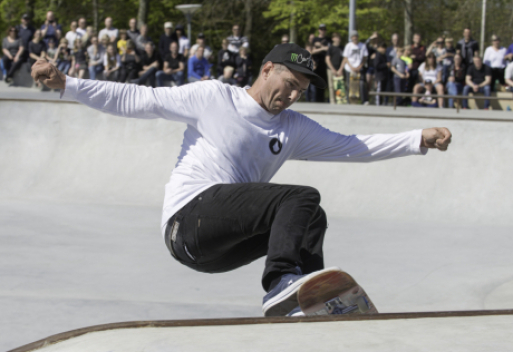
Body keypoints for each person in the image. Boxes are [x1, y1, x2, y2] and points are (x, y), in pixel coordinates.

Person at [31, 42, 452, 318]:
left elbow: (353, 146)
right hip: (188, 222)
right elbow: (139, 99)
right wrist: (68, 83)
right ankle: (279, 286)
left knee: (313, 215)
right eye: (287, 84)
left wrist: (417, 138)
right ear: (266, 70)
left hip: (217, 253)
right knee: (300, 197)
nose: (290, 96)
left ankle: (310, 303)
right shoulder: (214, 97)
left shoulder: (293, 127)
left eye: (299, 91)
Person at [341, 30, 368, 104]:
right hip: (349, 69)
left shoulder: (362, 45)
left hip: (359, 68)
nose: (355, 38)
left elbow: (365, 58)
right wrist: (351, 67)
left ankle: (364, 100)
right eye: (353, 37)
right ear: (351, 38)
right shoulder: (348, 46)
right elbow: (345, 58)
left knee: (361, 84)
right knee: (349, 84)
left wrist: (360, 66)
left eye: (356, 36)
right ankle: (348, 101)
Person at [311, 24, 330, 102]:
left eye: (324, 29)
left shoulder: (328, 39)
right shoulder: (315, 39)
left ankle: (324, 100)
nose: (323, 31)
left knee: (326, 84)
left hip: (325, 64)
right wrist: (323, 48)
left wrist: (320, 46)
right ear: (319, 30)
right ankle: (316, 100)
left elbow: (329, 49)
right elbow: (312, 51)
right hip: (317, 65)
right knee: (317, 84)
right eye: (321, 29)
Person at [325, 32, 344, 103]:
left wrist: (341, 69)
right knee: (331, 86)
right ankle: (332, 101)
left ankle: (340, 100)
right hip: (331, 69)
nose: (338, 39)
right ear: (333, 39)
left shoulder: (342, 48)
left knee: (339, 86)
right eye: (336, 37)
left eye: (339, 38)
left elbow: (344, 59)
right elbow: (327, 59)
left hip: (340, 69)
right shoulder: (331, 48)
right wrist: (333, 69)